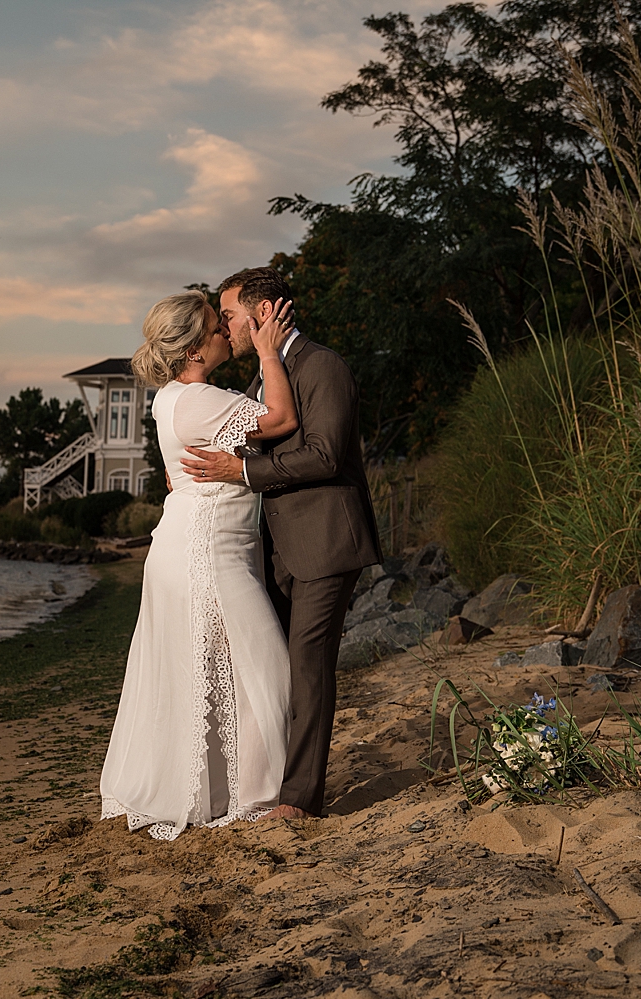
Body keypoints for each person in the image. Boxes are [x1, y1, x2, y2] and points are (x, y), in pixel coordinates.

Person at [182, 267, 383, 820]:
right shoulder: (261, 380)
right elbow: (236, 432)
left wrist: (241, 471)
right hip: (275, 550)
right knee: (274, 666)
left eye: (228, 315)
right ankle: (265, 783)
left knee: (308, 666)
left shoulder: (323, 365)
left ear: (263, 312)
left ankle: (299, 802)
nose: (224, 326)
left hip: (324, 542)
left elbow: (324, 455)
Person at [100, 290, 299, 839]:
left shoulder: (169, 397)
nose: (224, 333)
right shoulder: (202, 399)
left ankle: (217, 791)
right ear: (192, 348)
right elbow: (280, 419)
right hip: (208, 552)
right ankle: (257, 795)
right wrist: (270, 352)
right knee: (264, 668)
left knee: (201, 669)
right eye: (216, 327)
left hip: (188, 542)